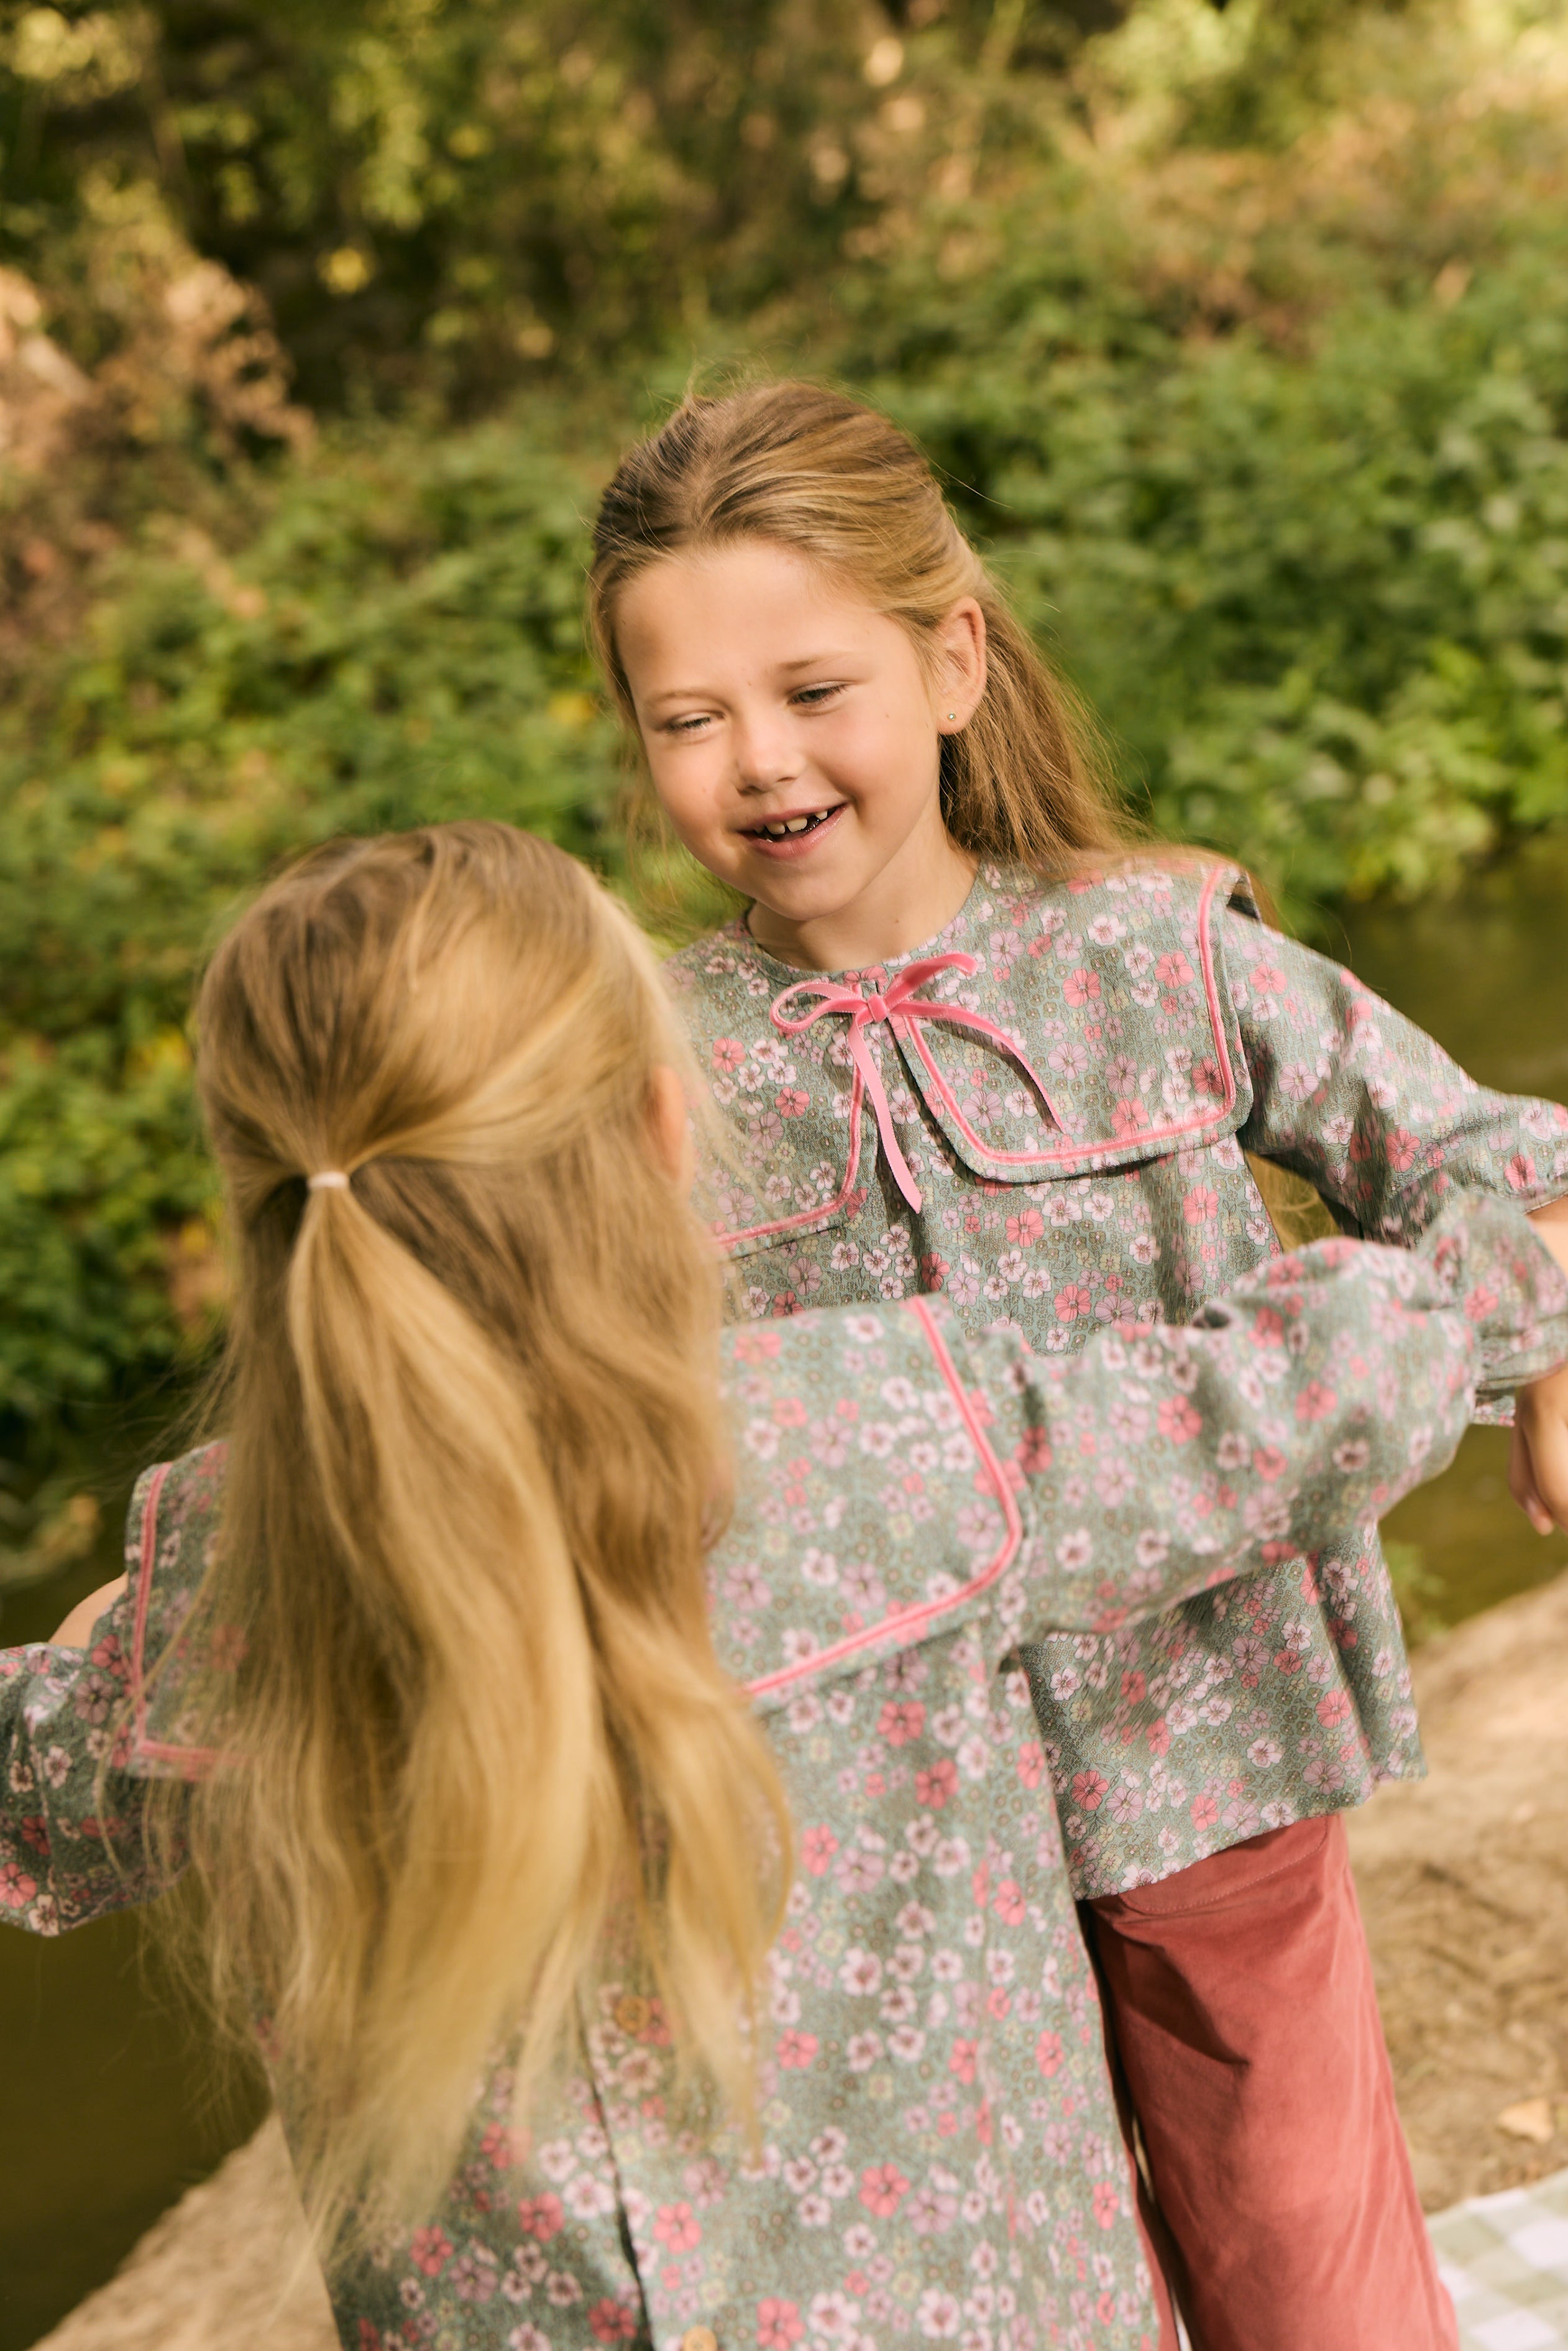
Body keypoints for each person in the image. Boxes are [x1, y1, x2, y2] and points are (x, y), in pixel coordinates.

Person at [5, 823, 1565, 2351]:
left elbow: (36, 1792)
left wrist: (128, 1635)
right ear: (664, 1133)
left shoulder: (216, 1591)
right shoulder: (879, 1439)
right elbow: (1274, 1400)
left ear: (263, 1204)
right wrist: (1520, 1266)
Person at [586, 382, 1568, 2350]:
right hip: (889, 1860)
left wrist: (1539, 1335)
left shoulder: (1153, 950)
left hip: (1213, 1742)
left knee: (1313, 2281)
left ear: (950, 660)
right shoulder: (647, 1069)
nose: (758, 760)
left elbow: (1484, 1154)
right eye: (688, 718)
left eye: (811, 689)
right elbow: (561, 1380)